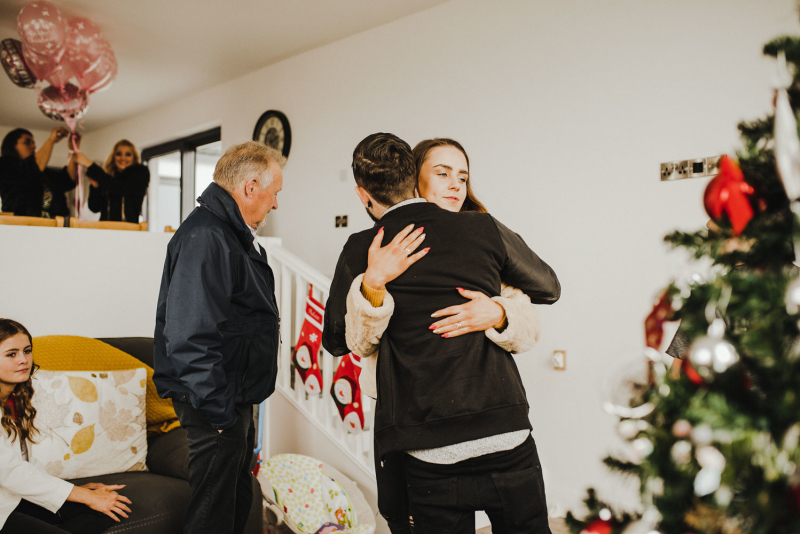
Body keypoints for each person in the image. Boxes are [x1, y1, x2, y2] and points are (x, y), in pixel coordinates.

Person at [322, 133, 560, 534]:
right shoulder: (374, 248)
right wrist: (373, 282)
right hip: (431, 436)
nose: (455, 184)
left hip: (483, 434)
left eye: (462, 177)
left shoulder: (481, 229)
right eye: (443, 173)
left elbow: (547, 288)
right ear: (413, 180)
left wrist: (497, 310)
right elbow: (344, 337)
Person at [153, 141, 285, 534]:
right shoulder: (208, 236)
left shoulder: (228, 233)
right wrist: (220, 413)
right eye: (274, 193)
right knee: (212, 514)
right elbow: (189, 336)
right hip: (215, 401)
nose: (275, 204)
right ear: (250, 188)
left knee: (235, 500)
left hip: (232, 395)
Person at [0, 319, 132, 534]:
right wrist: (83, 495)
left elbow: (22, 461)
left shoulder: (15, 399)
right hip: (5, 504)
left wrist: (74, 491)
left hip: (14, 497)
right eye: (11, 354)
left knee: (106, 511)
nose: (23, 360)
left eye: (27, 351)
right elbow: (10, 472)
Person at [0, 127, 78, 218]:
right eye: (27, 142)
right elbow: (33, 167)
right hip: (21, 225)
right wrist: (51, 140)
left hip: (52, 225)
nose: (34, 146)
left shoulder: (41, 171)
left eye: (33, 143)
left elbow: (68, 180)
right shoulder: (4, 165)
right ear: (12, 146)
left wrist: (73, 149)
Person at [74, 140, 150, 223]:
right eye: (118, 154)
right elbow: (94, 208)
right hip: (106, 229)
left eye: (128, 154)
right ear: (113, 157)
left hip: (128, 229)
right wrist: (95, 187)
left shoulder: (141, 173)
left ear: (134, 157)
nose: (123, 158)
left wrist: (90, 165)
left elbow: (120, 188)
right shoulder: (107, 178)